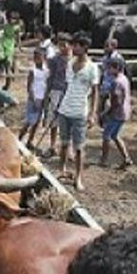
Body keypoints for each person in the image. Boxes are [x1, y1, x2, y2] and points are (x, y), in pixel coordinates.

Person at [57, 32, 99, 191]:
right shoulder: (70, 63)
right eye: (73, 45)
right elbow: (67, 86)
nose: (73, 48)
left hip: (80, 111)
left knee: (79, 147)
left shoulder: (92, 68)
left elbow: (95, 92)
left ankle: (78, 177)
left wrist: (92, 114)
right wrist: (59, 104)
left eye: (76, 45)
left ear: (85, 47)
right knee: (64, 144)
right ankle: (62, 170)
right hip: (65, 109)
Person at [99, 58, 133, 169]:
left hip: (117, 113)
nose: (108, 70)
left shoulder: (116, 82)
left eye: (110, 68)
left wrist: (106, 112)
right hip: (124, 112)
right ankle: (126, 158)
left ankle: (104, 160)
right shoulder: (124, 79)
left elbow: (116, 102)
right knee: (115, 135)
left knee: (106, 136)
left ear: (117, 68)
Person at [42, 33, 70, 159]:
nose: (63, 47)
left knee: (68, 122)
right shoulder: (54, 60)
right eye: (60, 45)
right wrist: (47, 93)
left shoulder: (74, 61)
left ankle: (67, 148)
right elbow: (50, 77)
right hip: (56, 91)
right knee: (53, 120)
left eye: (65, 45)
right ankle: (52, 146)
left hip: (70, 93)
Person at [17, 48, 49, 148]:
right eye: (36, 58)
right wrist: (33, 98)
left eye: (40, 58)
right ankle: (19, 139)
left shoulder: (47, 71)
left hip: (42, 98)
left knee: (37, 122)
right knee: (29, 121)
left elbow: (47, 85)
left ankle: (30, 141)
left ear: (44, 58)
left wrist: (45, 99)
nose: (38, 60)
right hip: (34, 99)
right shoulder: (32, 71)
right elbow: (29, 86)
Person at [0, 11, 21, 89]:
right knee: (0, 59)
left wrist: (19, 46)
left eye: (14, 19)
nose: (12, 20)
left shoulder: (17, 28)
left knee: (8, 62)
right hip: (3, 42)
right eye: (10, 18)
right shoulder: (5, 26)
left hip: (10, 43)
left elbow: (18, 38)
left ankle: (7, 83)